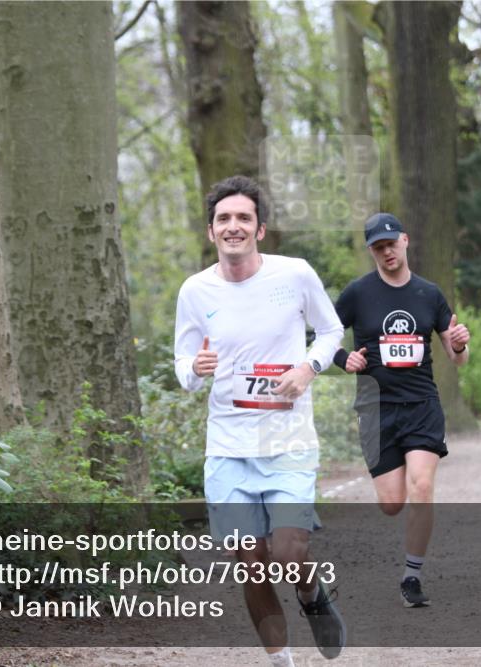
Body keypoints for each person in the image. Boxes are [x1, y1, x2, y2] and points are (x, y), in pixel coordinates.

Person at [173, 175, 346, 666]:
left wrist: (307, 368)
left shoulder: (294, 275)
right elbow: (183, 365)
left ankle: (313, 595)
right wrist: (195, 370)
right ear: (211, 232)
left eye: (243, 218)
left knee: (289, 553)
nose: (233, 226)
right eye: (223, 219)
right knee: (251, 566)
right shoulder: (195, 290)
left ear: (260, 229)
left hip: (288, 441)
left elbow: (331, 331)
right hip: (227, 448)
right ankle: (281, 661)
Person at [332, 213, 470, 608]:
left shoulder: (429, 294)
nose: (387, 251)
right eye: (378, 247)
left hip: (422, 405)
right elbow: (319, 336)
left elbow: (456, 357)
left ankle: (412, 576)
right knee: (391, 502)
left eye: (391, 243)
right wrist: (345, 358)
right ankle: (402, 491)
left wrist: (459, 344)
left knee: (422, 487)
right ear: (371, 251)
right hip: (376, 410)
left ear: (405, 241)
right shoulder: (357, 294)